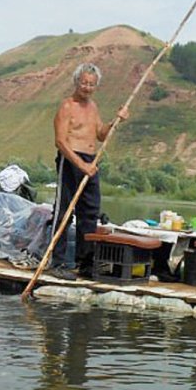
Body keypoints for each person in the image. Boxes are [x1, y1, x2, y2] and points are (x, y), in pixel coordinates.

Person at [50, 62, 129, 279]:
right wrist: (80, 164)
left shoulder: (93, 107)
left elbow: (101, 134)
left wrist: (116, 120)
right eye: (84, 83)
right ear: (76, 82)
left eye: (91, 84)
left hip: (91, 161)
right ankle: (56, 263)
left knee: (90, 213)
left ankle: (85, 264)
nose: (87, 87)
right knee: (65, 212)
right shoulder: (67, 106)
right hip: (71, 160)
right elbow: (60, 141)